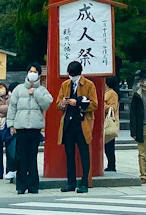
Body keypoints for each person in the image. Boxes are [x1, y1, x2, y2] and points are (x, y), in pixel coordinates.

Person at [7, 64, 53, 195]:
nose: (32, 73)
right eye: (30, 71)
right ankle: (21, 185)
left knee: (32, 156)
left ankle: (33, 185)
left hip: (35, 127)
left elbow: (47, 104)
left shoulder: (42, 90)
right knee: (22, 157)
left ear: (39, 75)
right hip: (20, 127)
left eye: (35, 72)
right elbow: (12, 107)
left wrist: (36, 93)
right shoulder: (18, 89)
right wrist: (11, 124)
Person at [56, 60, 98, 193]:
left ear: (79, 73)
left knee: (84, 153)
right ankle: (71, 182)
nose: (71, 77)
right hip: (68, 123)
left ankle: (84, 182)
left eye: (74, 74)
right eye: (70, 74)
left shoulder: (89, 85)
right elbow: (58, 104)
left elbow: (94, 104)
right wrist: (63, 103)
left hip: (82, 122)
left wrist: (78, 103)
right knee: (69, 154)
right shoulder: (65, 85)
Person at [103, 76, 120, 173]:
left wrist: (103, 105)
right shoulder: (105, 92)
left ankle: (112, 165)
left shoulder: (112, 93)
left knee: (109, 145)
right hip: (103, 121)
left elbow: (112, 108)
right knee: (107, 146)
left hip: (108, 121)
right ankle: (110, 164)